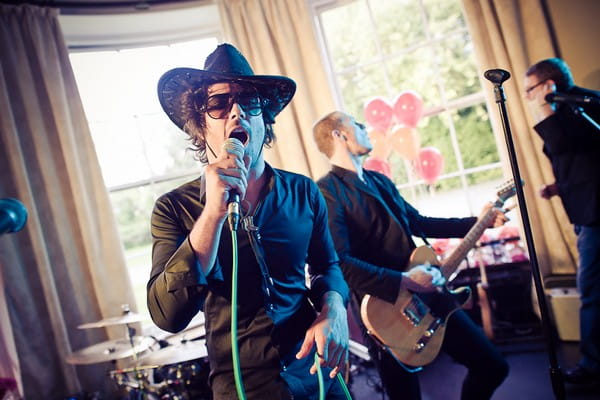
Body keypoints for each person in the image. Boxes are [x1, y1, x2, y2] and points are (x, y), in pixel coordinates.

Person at [147, 43, 351, 400]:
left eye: (249, 101)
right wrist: (211, 213)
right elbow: (167, 315)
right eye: (218, 103)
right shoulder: (173, 209)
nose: (236, 111)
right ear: (201, 128)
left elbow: (326, 265)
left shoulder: (303, 191)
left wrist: (333, 306)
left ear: (264, 119)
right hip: (245, 383)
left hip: (314, 370)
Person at [312, 111, 510, 400]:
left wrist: (478, 221)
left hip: (427, 295)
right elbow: (341, 263)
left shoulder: (379, 180)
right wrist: (405, 280)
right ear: (339, 135)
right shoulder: (327, 191)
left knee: (492, 367)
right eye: (357, 124)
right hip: (383, 312)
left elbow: (418, 222)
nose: (366, 128)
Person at [524, 58, 600, 385]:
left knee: (591, 290)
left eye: (531, 90)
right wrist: (559, 187)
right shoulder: (565, 111)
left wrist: (545, 106)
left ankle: (592, 366)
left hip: (595, 213)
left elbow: (561, 143)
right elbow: (578, 157)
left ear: (548, 84)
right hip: (583, 210)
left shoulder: (583, 103)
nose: (528, 97)